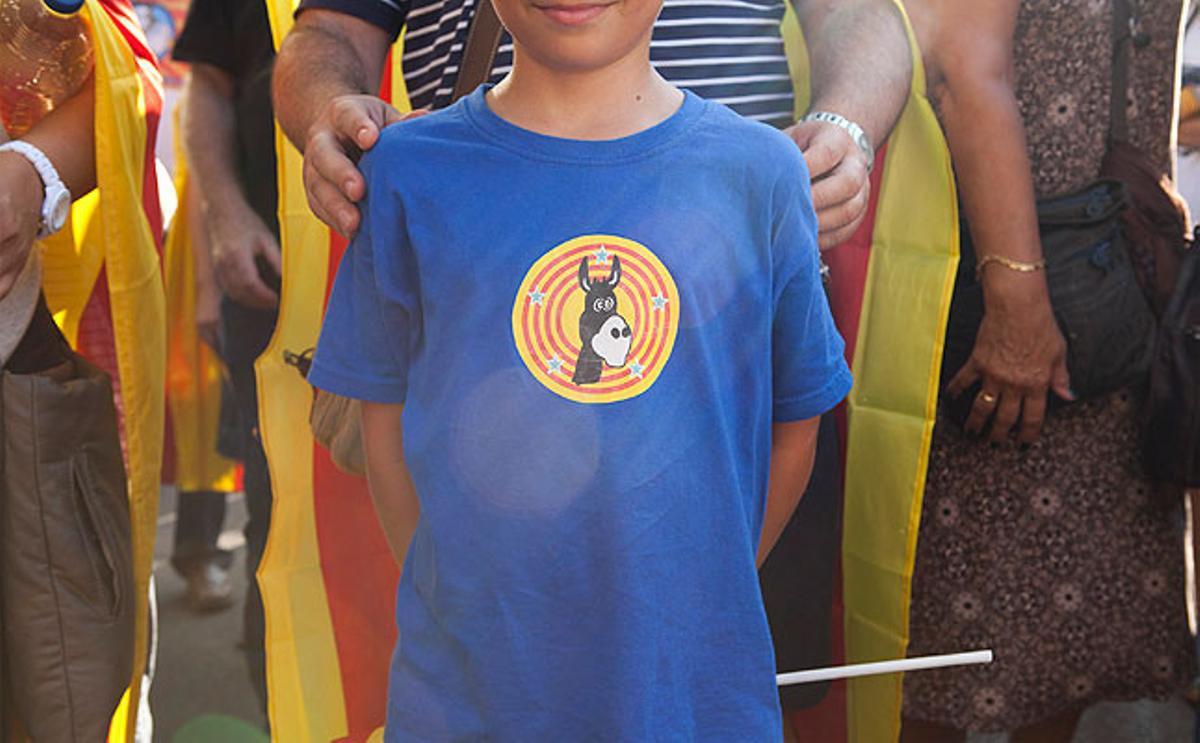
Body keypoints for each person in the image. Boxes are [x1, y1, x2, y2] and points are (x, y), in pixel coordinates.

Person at [305, 0, 854, 733]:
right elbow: (386, 428)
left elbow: (796, 420)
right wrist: (460, 596)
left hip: (691, 696)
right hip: (468, 698)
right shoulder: (407, 172)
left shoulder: (759, 172)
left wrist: (700, 585)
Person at [899, 1, 1193, 741]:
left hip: (1108, 283)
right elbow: (963, 68)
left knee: (1071, 642)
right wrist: (1018, 298)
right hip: (999, 277)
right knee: (935, 647)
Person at [172, 0, 281, 711]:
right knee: (276, 506)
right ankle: (283, 700)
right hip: (274, 283)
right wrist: (225, 228)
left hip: (446, 285)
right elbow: (205, 89)